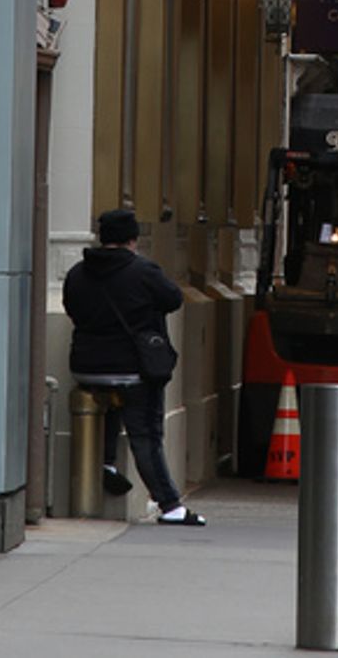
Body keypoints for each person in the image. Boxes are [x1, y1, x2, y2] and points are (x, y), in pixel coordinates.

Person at [62, 208, 205, 526]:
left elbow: (71, 307)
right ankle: (170, 505)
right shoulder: (142, 271)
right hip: (133, 368)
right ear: (132, 239)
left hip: (86, 367)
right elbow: (172, 299)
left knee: (109, 404)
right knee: (146, 435)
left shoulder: (76, 273)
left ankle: (106, 463)